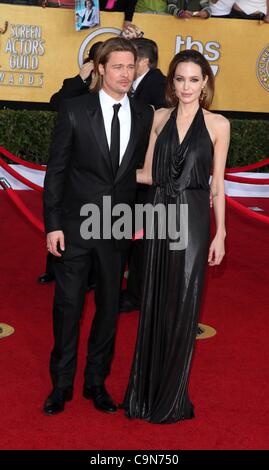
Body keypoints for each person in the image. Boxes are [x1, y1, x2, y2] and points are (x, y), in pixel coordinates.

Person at [42, 37, 153, 416]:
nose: (125, 73)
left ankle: (95, 382)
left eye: (131, 66)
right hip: (73, 226)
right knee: (68, 307)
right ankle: (60, 385)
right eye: (117, 66)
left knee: (108, 310)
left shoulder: (144, 113)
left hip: (117, 227)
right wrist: (52, 224)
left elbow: (138, 171)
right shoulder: (74, 109)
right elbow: (56, 171)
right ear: (101, 68)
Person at [122, 49, 230, 423]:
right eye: (180, 79)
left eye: (194, 79)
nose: (186, 86)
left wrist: (221, 234)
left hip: (194, 220)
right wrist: (100, 172)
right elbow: (149, 174)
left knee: (183, 305)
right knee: (153, 300)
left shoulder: (218, 125)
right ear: (172, 82)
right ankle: (145, 394)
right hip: (159, 215)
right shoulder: (159, 117)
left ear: (205, 84)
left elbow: (217, 186)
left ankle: (170, 396)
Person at [38, 42, 103, 286]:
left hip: (98, 167)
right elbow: (56, 103)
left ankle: (92, 276)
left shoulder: (114, 89)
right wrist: (79, 79)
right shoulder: (76, 85)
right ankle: (54, 269)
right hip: (70, 164)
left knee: (96, 222)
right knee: (63, 217)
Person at [119, 37, 166, 313]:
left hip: (150, 179)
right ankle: (133, 290)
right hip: (137, 175)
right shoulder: (141, 85)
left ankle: (139, 294)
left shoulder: (158, 86)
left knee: (143, 240)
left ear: (143, 62)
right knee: (134, 237)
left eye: (130, 61)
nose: (125, 68)